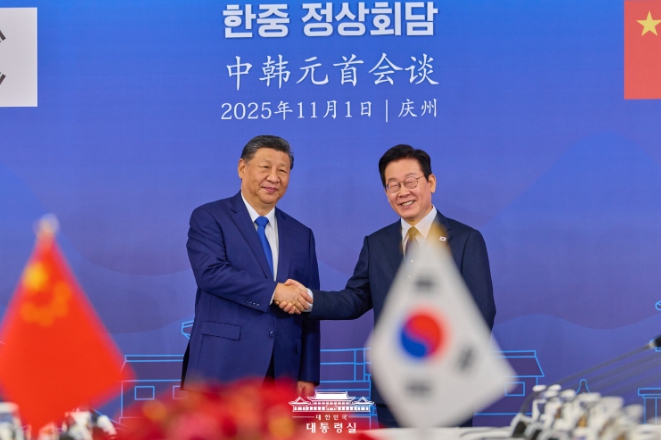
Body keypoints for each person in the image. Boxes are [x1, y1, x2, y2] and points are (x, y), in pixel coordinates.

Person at [281, 144, 496, 427]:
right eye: (393, 185)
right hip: (393, 392)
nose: (402, 192)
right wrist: (306, 298)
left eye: (410, 182)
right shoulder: (377, 243)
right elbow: (355, 299)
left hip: (449, 389)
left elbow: (481, 312)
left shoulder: (466, 240)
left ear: (431, 182)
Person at [181, 135, 320, 397]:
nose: (274, 177)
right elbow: (211, 273)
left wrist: (308, 372)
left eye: (282, 171)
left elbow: (309, 303)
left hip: (282, 370)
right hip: (221, 365)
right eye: (265, 167)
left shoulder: (302, 234)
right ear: (242, 168)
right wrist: (275, 291)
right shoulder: (210, 217)